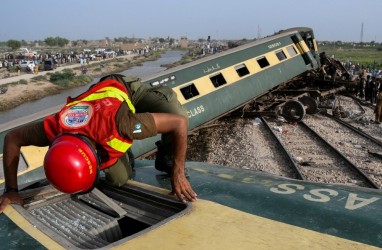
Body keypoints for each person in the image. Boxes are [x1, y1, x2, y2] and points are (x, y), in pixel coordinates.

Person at [0, 74, 197, 213]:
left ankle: (166, 160)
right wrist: (11, 191)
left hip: (122, 89)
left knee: (176, 112)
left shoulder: (122, 125)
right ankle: (124, 155)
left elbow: (179, 124)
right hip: (96, 106)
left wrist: (177, 171)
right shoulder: (55, 126)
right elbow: (12, 138)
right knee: (120, 179)